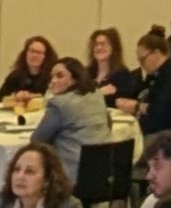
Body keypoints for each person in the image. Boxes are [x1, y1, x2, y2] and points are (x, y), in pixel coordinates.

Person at [29, 55, 112, 184]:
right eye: (52, 76)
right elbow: (109, 123)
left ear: (74, 79)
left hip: (72, 177)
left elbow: (37, 140)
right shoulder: (96, 94)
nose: (53, 81)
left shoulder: (59, 104)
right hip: (104, 174)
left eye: (60, 75)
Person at [135, 30, 171, 136]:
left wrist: (136, 106)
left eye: (143, 59)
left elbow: (163, 111)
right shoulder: (157, 73)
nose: (141, 64)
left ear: (156, 53)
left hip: (165, 134)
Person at [0, 35, 54, 103]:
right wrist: (14, 97)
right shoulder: (16, 75)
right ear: (25, 53)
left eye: (39, 53)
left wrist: (34, 97)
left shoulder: (52, 77)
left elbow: (54, 100)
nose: (34, 55)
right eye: (32, 51)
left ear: (46, 57)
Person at [88, 27, 139, 106]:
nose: (99, 47)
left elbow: (122, 101)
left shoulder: (123, 75)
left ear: (114, 47)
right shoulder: (86, 73)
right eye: (96, 44)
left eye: (103, 44)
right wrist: (100, 93)